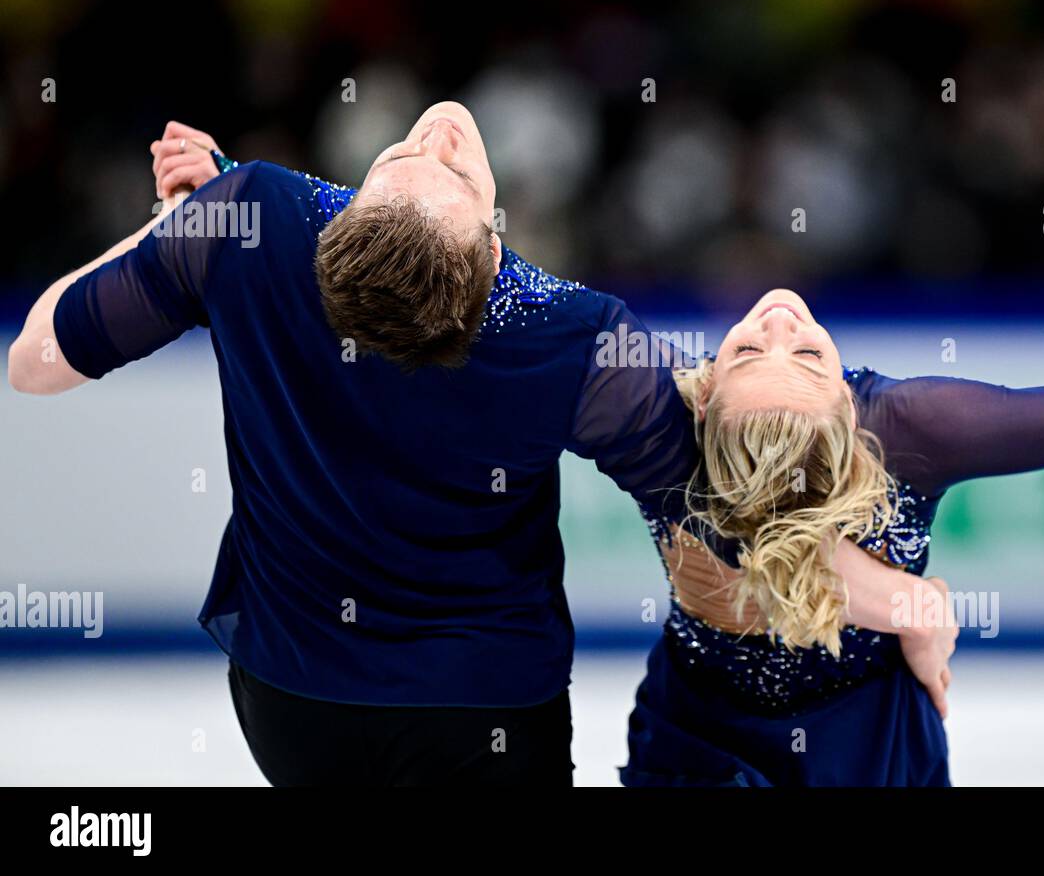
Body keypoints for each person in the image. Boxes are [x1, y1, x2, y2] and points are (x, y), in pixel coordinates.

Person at [7, 105, 718, 786]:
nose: (436, 135)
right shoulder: (580, 338)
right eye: (423, 164)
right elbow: (698, 506)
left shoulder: (255, 215)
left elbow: (34, 362)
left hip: (294, 707)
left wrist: (185, 223)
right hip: (485, 719)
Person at [621, 289, 1044, 786]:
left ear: (847, 410)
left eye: (798, 352)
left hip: (865, 747)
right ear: (702, 397)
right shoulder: (659, 417)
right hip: (700, 741)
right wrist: (904, 603)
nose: (778, 321)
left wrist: (908, 604)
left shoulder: (914, 428)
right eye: (747, 350)